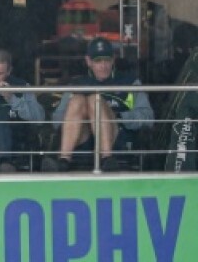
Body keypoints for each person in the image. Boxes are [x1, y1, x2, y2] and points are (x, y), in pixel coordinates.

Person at [48, 38, 153, 172]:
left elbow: (148, 117)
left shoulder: (129, 82)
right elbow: (56, 121)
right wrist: (80, 115)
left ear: (113, 59)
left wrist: (118, 116)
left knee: (95, 99)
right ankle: (63, 160)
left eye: (107, 60)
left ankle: (107, 158)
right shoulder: (77, 84)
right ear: (88, 61)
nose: (103, 65)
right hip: (83, 140)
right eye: (98, 61)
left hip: (117, 137)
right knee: (78, 100)